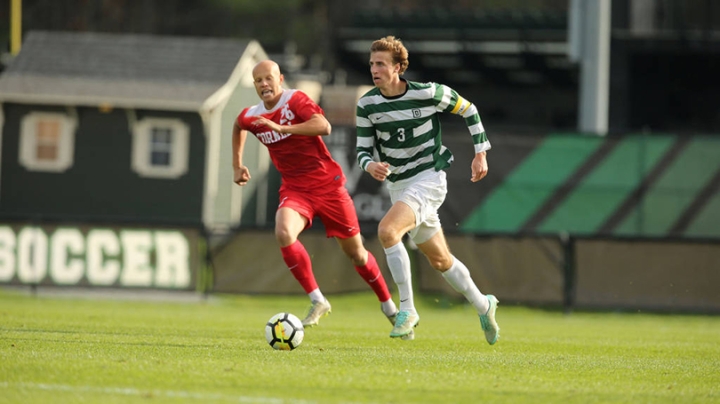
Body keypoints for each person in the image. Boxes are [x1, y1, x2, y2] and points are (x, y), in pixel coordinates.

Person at [233, 59, 400, 330]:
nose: (264, 84)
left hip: (328, 186)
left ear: (280, 78)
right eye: (258, 80)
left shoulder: (295, 100)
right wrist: (237, 164)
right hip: (295, 189)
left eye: (269, 78)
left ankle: (388, 304)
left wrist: (283, 129)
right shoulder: (251, 115)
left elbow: (324, 126)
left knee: (357, 254)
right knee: (284, 232)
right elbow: (238, 126)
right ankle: (317, 299)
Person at [355, 36, 500, 344]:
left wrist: (480, 152)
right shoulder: (367, 104)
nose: (374, 69)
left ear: (398, 67)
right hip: (399, 186)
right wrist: (369, 165)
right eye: (371, 64)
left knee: (387, 232)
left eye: (381, 63)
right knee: (440, 260)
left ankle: (407, 309)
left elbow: (469, 109)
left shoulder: (428, 93)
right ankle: (484, 305)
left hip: (429, 179)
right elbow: (362, 151)